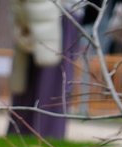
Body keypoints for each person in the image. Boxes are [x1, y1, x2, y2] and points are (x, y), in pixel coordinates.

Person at [8, 0, 85, 138]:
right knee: (50, 81)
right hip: (52, 11)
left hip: (44, 11)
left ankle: (31, 135)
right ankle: (45, 135)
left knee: (43, 79)